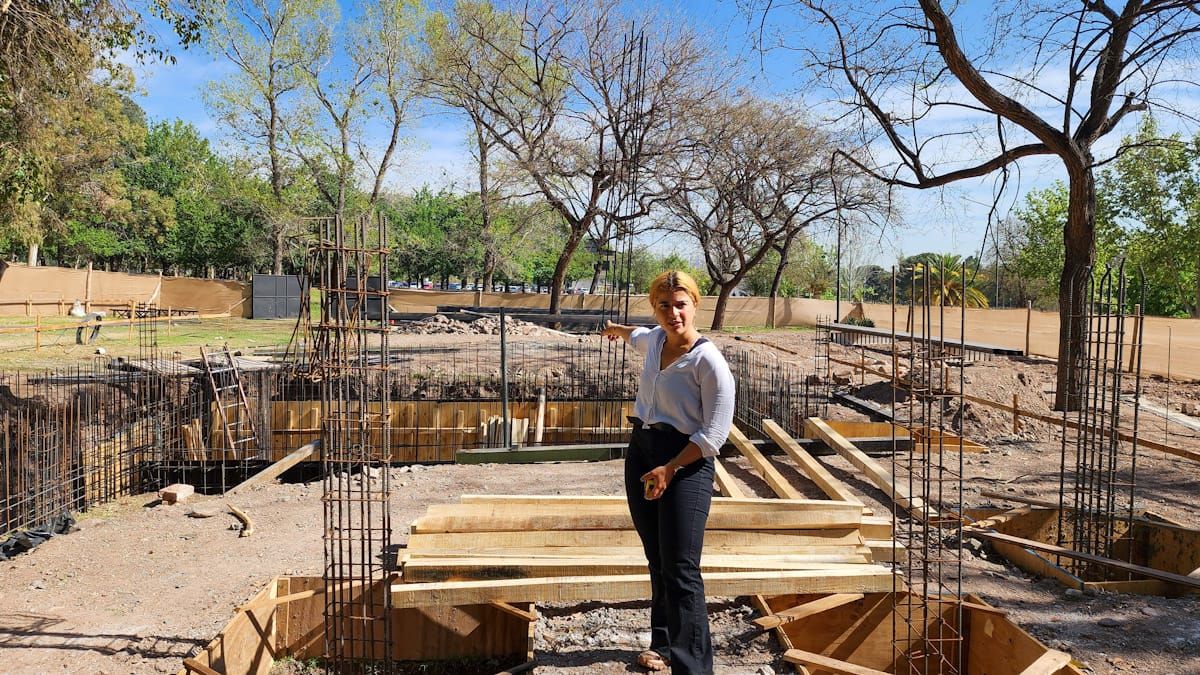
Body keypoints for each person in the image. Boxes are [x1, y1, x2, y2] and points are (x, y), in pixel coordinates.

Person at [601, 270, 735, 674]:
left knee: (681, 568)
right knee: (656, 557)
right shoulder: (655, 339)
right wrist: (615, 329)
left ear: (695, 304)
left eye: (681, 304)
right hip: (643, 451)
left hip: (685, 461)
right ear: (655, 308)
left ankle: (694, 667)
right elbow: (636, 334)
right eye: (664, 305)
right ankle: (662, 643)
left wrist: (671, 467)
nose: (673, 313)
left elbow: (714, 434)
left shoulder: (708, 362)